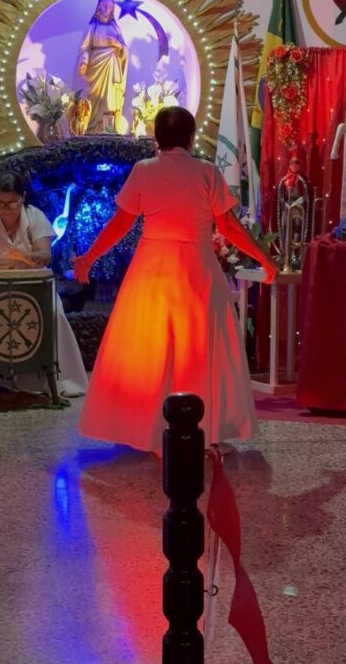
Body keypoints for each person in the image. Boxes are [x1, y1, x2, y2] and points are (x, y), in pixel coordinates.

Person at [74, 106, 277, 454]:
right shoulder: (207, 172)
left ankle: (148, 432)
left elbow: (121, 223)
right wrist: (264, 259)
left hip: (150, 271)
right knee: (198, 350)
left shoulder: (143, 170)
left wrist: (89, 258)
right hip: (196, 270)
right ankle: (205, 431)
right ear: (191, 137)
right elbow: (228, 226)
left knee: (150, 351)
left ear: (157, 138)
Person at [0, 171, 88, 398]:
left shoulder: (35, 217)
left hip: (31, 282)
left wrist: (24, 257)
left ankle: (53, 376)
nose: (6, 209)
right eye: (0, 203)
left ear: (23, 198)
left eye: (12, 203)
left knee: (54, 313)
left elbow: (45, 256)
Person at [78, 0, 128, 134]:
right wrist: (83, 62)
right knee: (95, 98)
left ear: (113, 9)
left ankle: (109, 129)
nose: (107, 8)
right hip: (96, 66)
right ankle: (93, 128)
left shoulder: (116, 28)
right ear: (99, 7)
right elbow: (85, 48)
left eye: (110, 7)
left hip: (112, 65)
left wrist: (117, 44)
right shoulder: (92, 26)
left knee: (110, 100)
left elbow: (125, 49)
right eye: (105, 5)